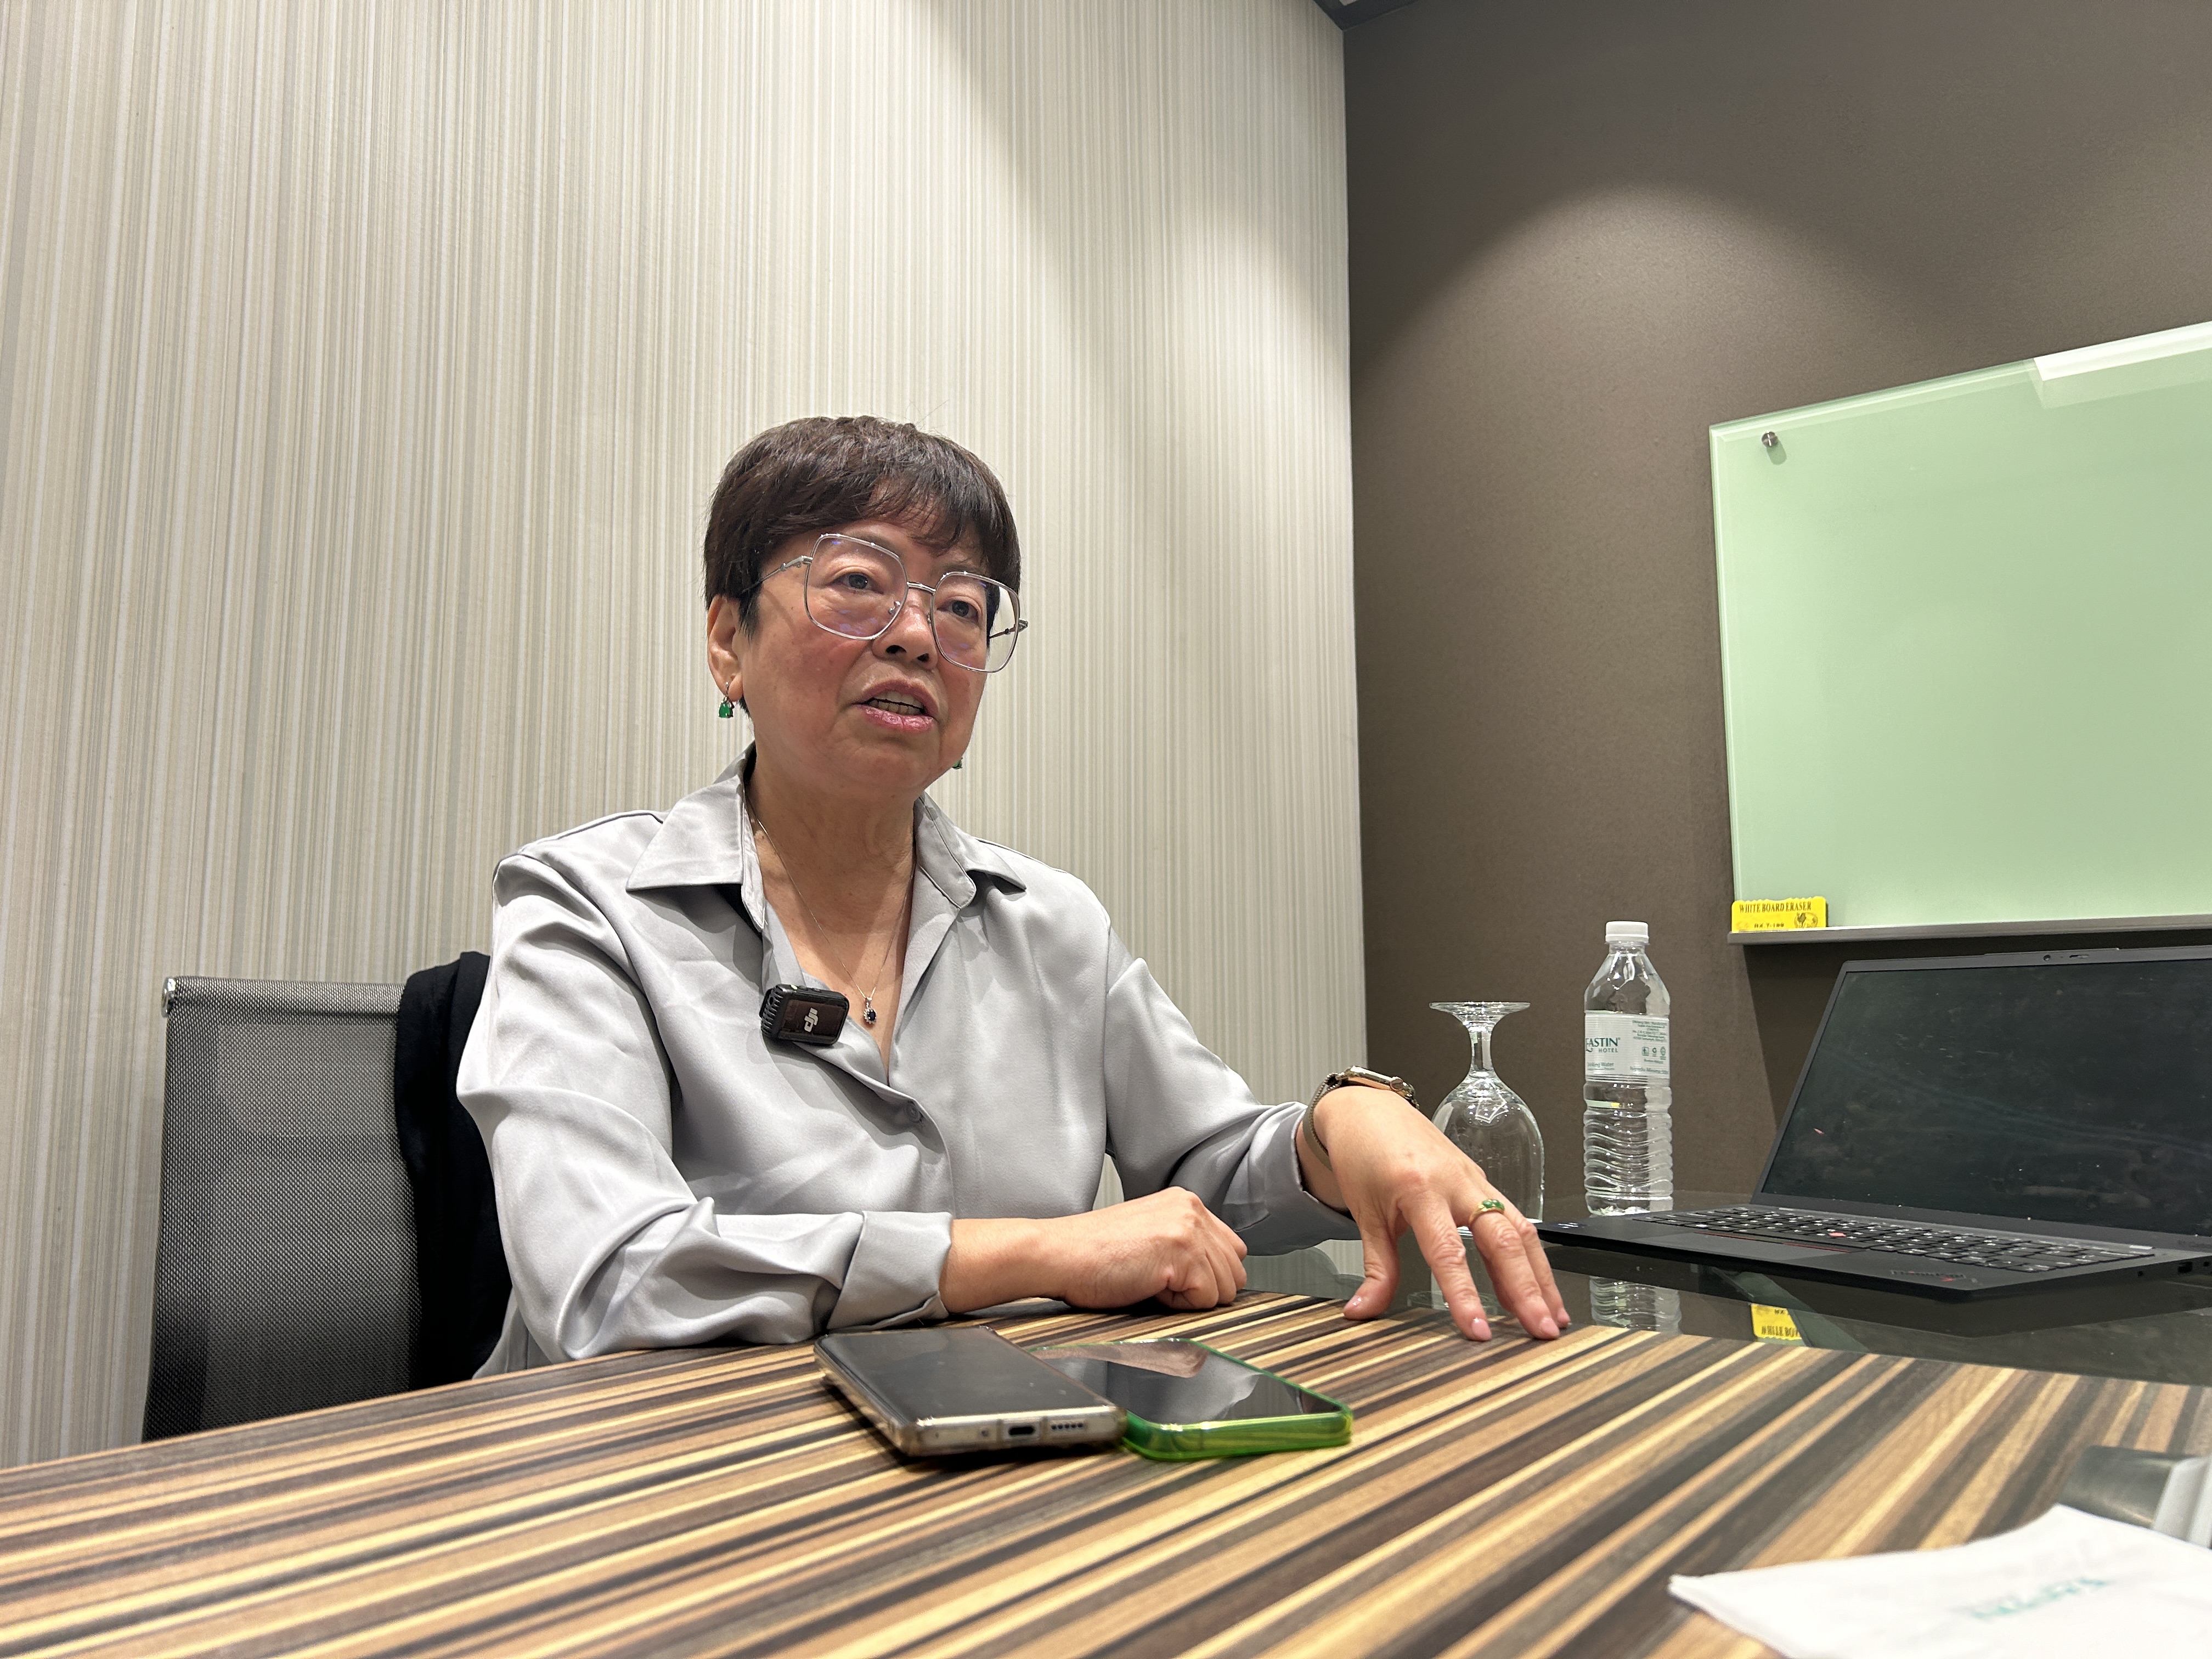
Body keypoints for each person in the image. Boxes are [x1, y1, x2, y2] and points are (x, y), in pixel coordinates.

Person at [457, 416, 1566, 1372]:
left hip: (995, 1472)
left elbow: (1214, 1168)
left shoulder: (1052, 923)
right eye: (857, 584)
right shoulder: (590, 903)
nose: (915, 635)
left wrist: (1340, 1121)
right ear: (726, 641)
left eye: (961, 606)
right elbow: (607, 1278)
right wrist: (1032, 1253)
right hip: (668, 1487)